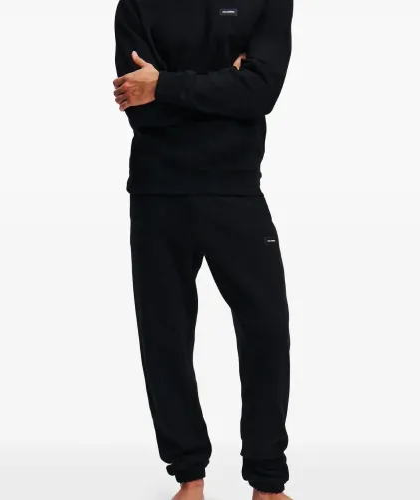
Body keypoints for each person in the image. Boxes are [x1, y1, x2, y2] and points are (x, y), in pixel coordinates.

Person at [113, 0, 293, 498]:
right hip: (157, 194)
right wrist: (226, 83)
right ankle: (189, 475)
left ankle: (267, 482)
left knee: (266, 331)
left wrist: (166, 84)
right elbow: (140, 110)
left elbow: (262, 92)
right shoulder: (138, 4)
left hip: (236, 191)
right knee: (165, 337)